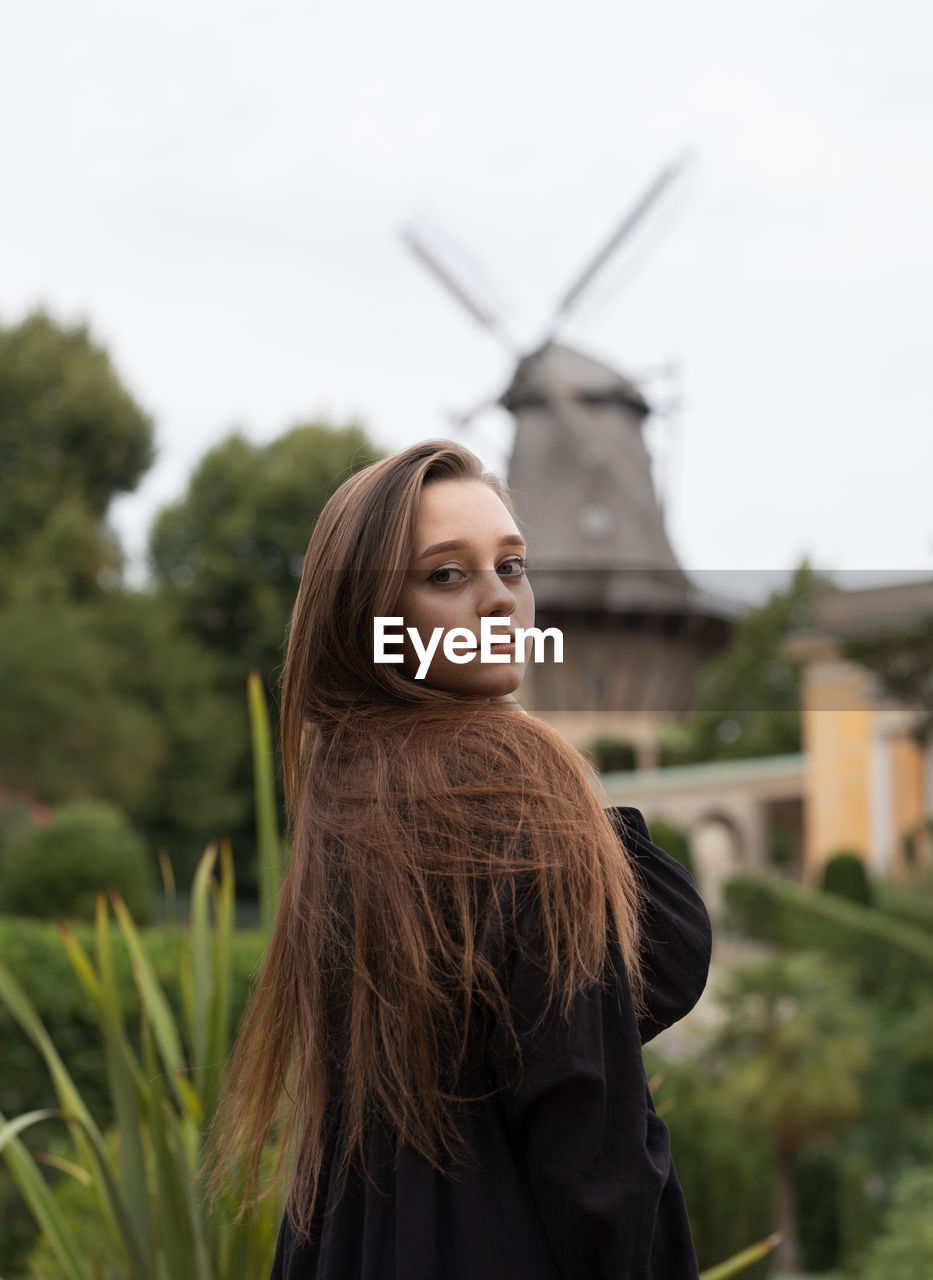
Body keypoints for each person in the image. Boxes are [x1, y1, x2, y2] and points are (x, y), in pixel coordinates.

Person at [208, 440, 712, 1279]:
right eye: (446, 575)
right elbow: (590, 1139)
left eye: (511, 566)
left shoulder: (351, 803)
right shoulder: (516, 798)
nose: (498, 601)